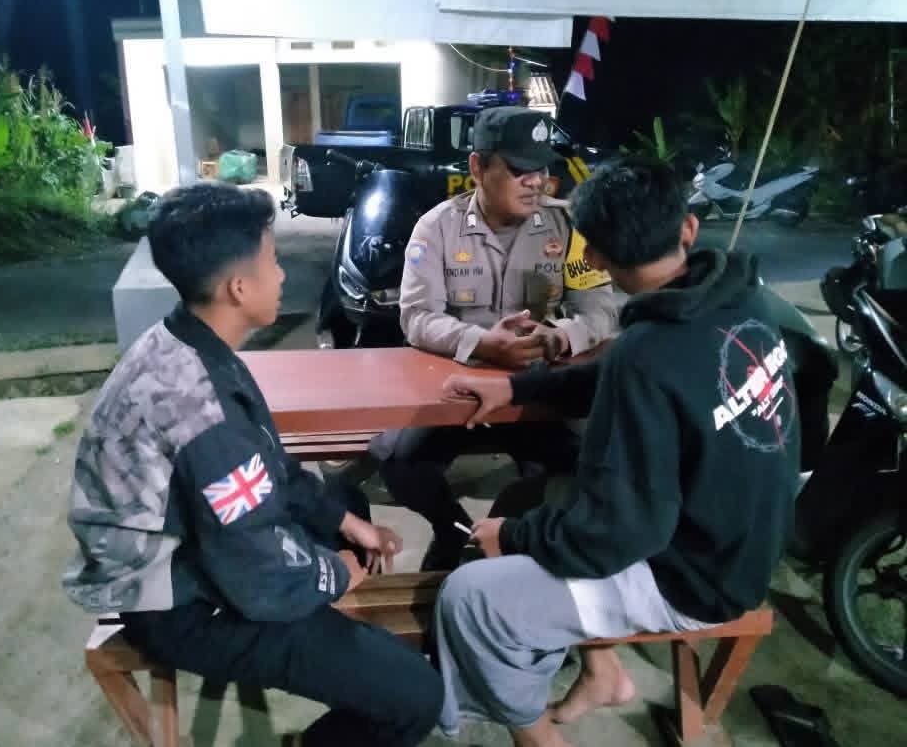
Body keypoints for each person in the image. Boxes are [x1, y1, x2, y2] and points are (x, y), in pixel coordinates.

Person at [432, 157, 801, 747]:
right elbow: (621, 370)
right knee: (547, 493)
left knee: (472, 597)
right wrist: (517, 389)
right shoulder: (739, 298)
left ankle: (538, 741)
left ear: (598, 258)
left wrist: (515, 537)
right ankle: (603, 675)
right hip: (747, 545)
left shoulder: (646, 353)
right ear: (688, 227)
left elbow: (623, 533)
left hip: (695, 579)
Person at [61, 183, 442, 747]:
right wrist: (336, 572)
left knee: (345, 504)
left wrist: (340, 524)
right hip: (176, 603)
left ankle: (343, 637)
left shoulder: (186, 339)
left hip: (194, 549)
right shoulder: (203, 411)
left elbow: (267, 466)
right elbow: (257, 573)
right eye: (273, 261)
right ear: (238, 288)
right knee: (415, 697)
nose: (282, 275)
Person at [368, 106, 621, 571]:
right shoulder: (436, 228)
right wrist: (482, 343)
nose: (535, 182)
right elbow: (417, 317)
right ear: (478, 167)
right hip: (455, 386)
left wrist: (562, 337)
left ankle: (504, 534)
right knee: (400, 462)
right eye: (520, 169)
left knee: (583, 461)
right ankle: (454, 532)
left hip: (535, 385)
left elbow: (601, 309)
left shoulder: (568, 227)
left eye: (541, 169)